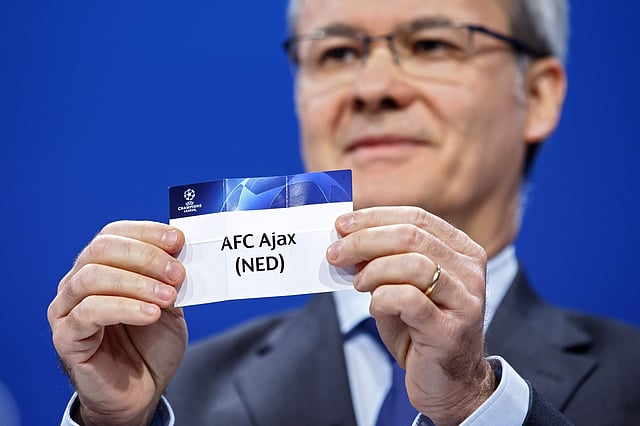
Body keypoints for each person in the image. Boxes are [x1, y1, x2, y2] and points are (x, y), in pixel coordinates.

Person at [48, 0, 640, 424]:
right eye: (337, 52)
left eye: (431, 44)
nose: (372, 86)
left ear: (537, 94)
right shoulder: (169, 398)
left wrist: (475, 404)